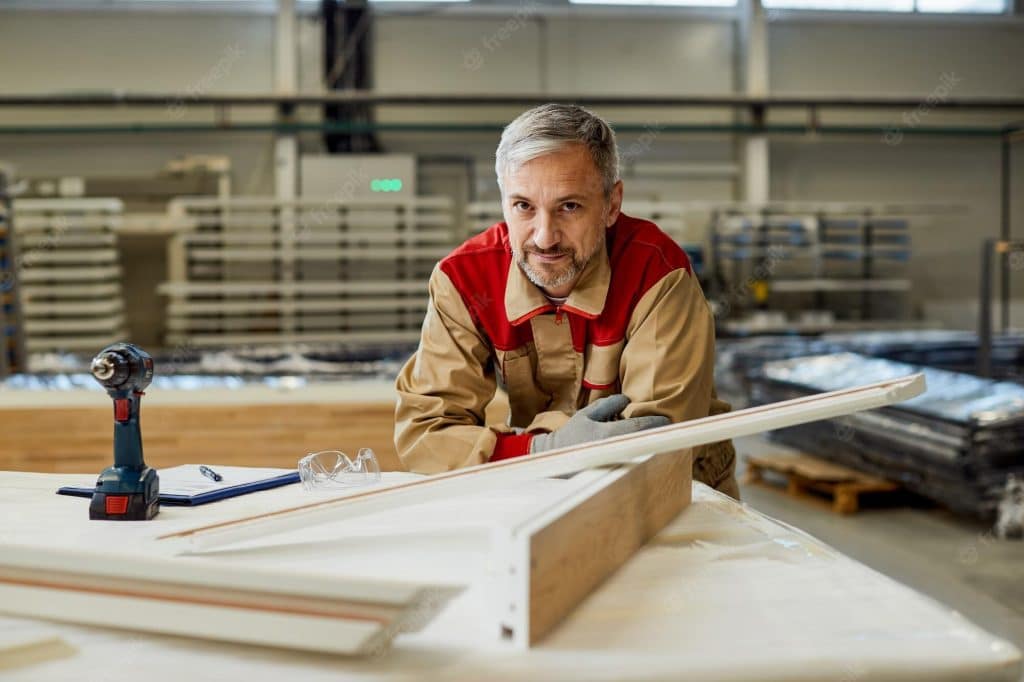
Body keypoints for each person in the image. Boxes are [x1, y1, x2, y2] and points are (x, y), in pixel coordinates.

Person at [394, 103, 739, 498]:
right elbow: (425, 436)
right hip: (542, 491)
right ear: (503, 202)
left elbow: (652, 443)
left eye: (569, 206)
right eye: (523, 206)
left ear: (611, 205)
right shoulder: (463, 280)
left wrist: (512, 453)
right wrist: (543, 450)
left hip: (679, 495)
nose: (544, 236)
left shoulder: (657, 273)